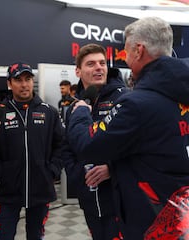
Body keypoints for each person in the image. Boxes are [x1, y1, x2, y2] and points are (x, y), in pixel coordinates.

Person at [67, 17, 189, 239]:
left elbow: (87, 145)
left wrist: (80, 111)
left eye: (126, 51)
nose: (126, 59)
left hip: (151, 223)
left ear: (139, 51)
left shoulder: (137, 104)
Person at [0, 62, 63, 240]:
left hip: (40, 189)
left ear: (33, 81)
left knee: (36, 235)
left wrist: (51, 171)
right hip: (8, 191)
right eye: (18, 80)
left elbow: (61, 145)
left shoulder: (49, 112)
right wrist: (2, 173)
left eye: (28, 79)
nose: (24, 84)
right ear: (10, 83)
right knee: (3, 235)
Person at [63, 43, 127, 240]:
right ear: (78, 71)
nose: (99, 67)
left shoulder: (125, 99)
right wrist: (79, 175)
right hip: (89, 198)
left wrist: (111, 169)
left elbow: (137, 147)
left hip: (120, 199)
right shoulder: (74, 107)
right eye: (91, 64)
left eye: (102, 63)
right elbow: (66, 147)